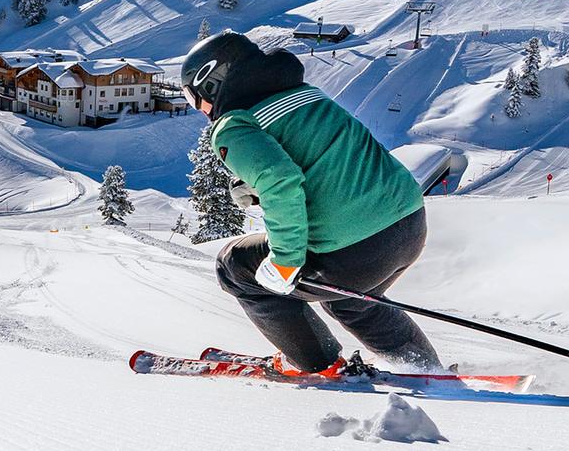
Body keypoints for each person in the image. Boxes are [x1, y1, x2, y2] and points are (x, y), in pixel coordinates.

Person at [181, 30, 442, 377]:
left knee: (234, 267)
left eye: (192, 98)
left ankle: (317, 363)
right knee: (351, 299)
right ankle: (422, 365)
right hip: (407, 225)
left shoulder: (233, 123)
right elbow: (328, 160)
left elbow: (280, 179)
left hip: (350, 250)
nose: (198, 109)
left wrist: (286, 262)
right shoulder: (305, 96)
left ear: (210, 83)